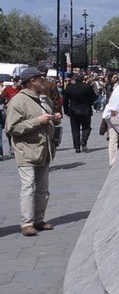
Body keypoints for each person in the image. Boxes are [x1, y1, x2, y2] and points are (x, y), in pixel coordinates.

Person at [5, 67, 60, 236]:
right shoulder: (18, 101)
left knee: (43, 188)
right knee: (28, 187)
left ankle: (39, 219)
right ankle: (26, 223)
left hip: (44, 149)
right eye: (40, 78)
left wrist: (53, 118)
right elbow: (12, 128)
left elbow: (47, 120)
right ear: (32, 81)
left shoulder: (44, 99)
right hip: (26, 150)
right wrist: (38, 121)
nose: (43, 81)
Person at [63, 73, 97, 153]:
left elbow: (65, 100)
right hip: (86, 110)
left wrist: (66, 110)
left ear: (74, 79)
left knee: (75, 129)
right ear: (83, 79)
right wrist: (89, 103)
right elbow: (93, 97)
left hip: (73, 110)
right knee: (86, 127)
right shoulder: (87, 87)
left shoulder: (69, 87)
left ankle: (77, 147)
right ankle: (84, 140)